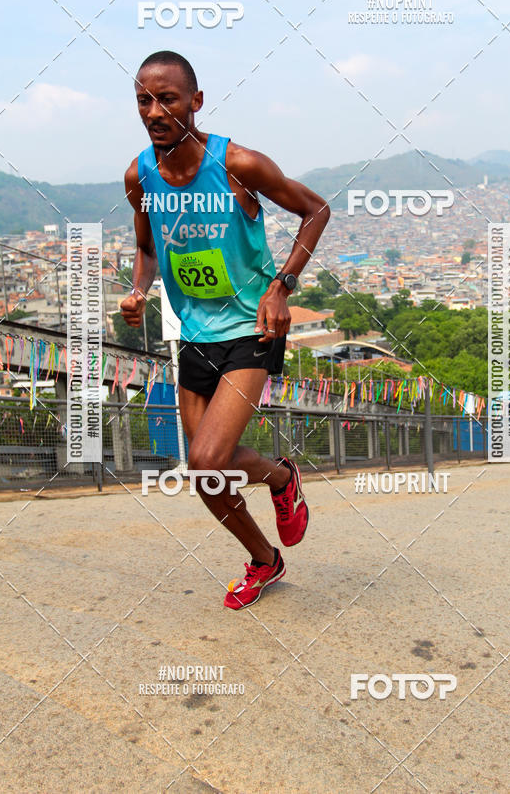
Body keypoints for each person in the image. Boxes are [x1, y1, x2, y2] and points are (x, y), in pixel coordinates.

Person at [120, 50, 330, 610]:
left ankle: (282, 480)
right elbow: (145, 246)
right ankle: (266, 556)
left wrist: (281, 286)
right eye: (145, 99)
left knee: (209, 459)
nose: (156, 110)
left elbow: (315, 209)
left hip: (250, 328)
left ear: (196, 101)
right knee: (204, 476)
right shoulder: (139, 173)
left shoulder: (238, 163)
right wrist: (140, 290)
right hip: (195, 333)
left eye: (168, 98)